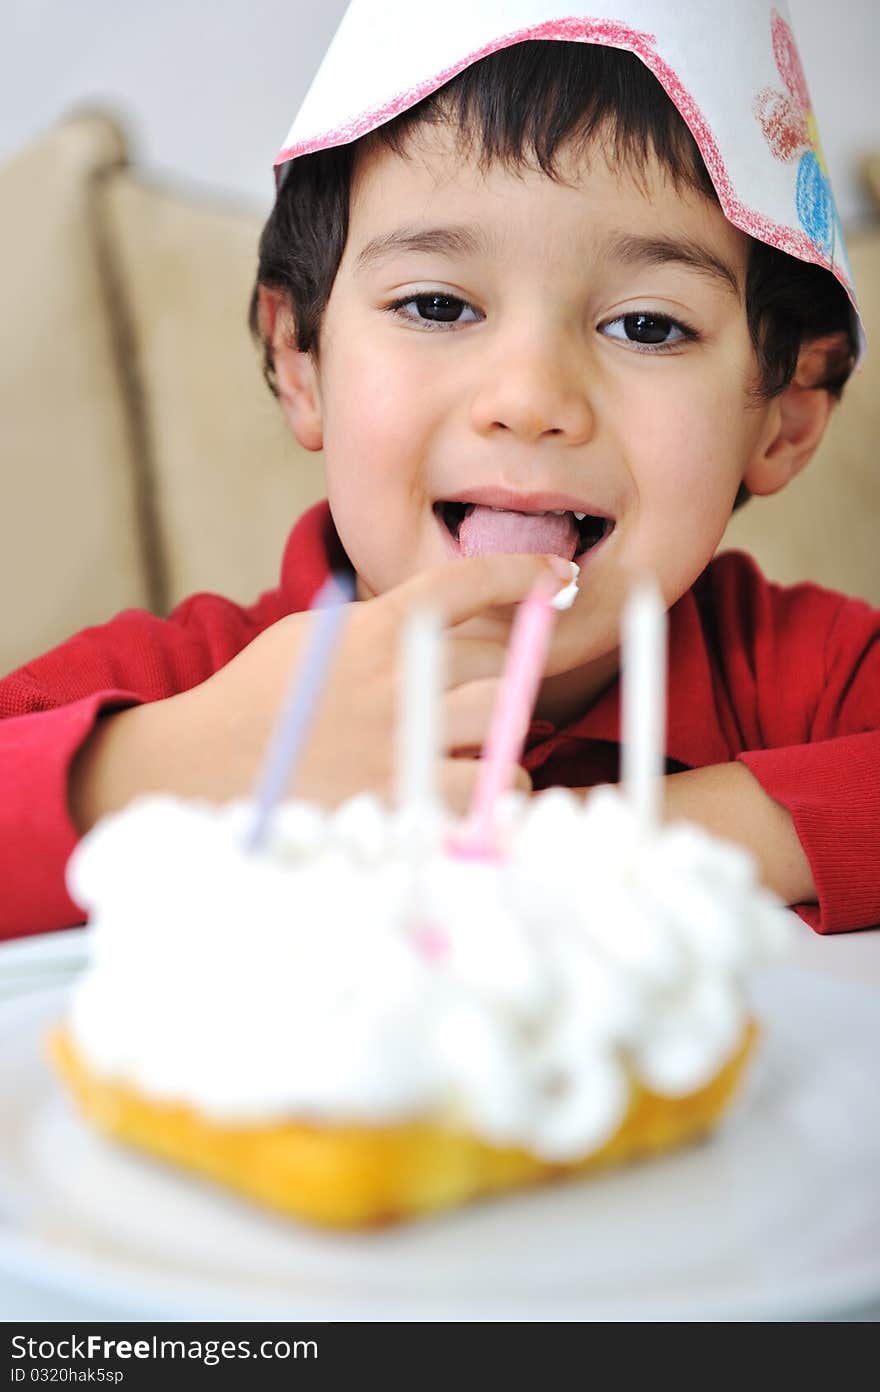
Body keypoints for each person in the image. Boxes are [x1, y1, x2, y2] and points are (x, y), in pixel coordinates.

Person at [1, 2, 877, 940]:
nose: (531, 397)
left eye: (648, 325)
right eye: (436, 304)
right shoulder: (202, 684)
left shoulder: (801, 676)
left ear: (783, 420)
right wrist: (193, 762)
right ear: (300, 358)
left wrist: (602, 837)